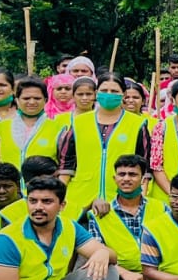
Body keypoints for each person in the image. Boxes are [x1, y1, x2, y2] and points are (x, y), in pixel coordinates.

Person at [58, 72, 151, 220]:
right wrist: (59, 198)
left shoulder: (137, 124)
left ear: (124, 94)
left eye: (114, 91)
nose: (109, 94)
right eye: (104, 90)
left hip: (120, 201)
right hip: (79, 201)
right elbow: (66, 165)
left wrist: (140, 202)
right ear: (96, 93)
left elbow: (145, 169)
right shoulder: (79, 123)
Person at [84, 154, 153, 280]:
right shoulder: (99, 213)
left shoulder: (161, 209)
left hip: (156, 274)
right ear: (115, 178)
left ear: (143, 179)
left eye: (133, 174)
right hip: (118, 277)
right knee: (97, 273)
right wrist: (125, 273)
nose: (126, 179)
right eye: (122, 174)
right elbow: (96, 253)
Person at [0, 76, 63, 183]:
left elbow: (64, 165)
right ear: (17, 100)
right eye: (26, 98)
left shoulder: (59, 128)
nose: (32, 102)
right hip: (9, 193)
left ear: (46, 100)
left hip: (44, 192)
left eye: (37, 98)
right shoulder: (1, 128)